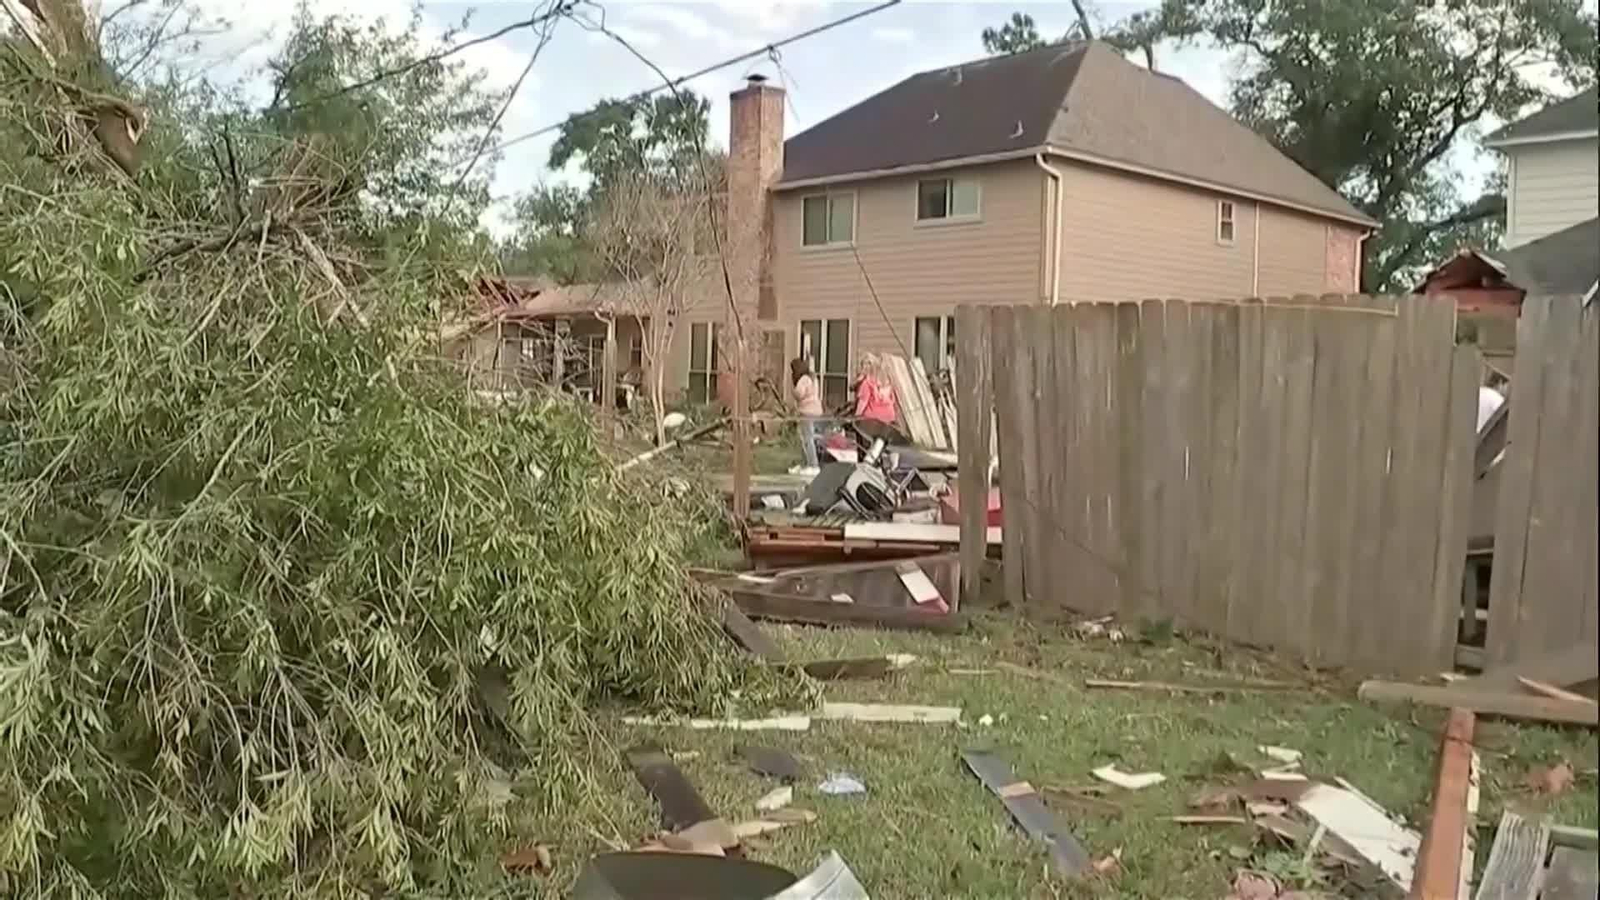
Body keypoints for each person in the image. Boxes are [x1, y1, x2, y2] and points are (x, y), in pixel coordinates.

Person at [789, 356, 823, 475]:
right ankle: (805, 463)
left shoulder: (803, 379)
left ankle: (813, 464)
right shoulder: (813, 378)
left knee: (807, 438)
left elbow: (799, 394)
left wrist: (792, 390)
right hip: (816, 410)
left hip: (807, 411)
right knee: (805, 438)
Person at [853, 355, 897, 426]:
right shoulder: (888, 381)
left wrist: (855, 418)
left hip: (872, 419)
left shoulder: (867, 382)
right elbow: (893, 400)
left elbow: (863, 402)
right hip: (889, 418)